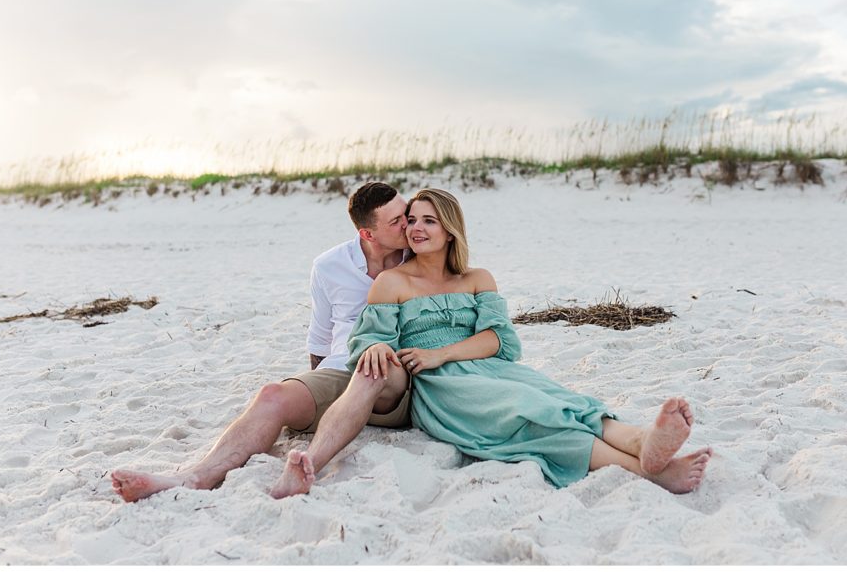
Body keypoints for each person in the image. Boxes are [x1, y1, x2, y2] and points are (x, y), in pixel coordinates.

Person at [270, 188, 712, 497]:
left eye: (429, 220)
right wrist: (397, 352)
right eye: (412, 220)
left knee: (561, 399)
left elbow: (501, 341)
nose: (416, 228)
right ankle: (649, 470)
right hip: (441, 386)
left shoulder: (478, 279)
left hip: (491, 368)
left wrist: (441, 350)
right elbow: (369, 342)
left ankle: (640, 439)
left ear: (450, 231)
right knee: (530, 416)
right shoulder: (390, 282)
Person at [110, 182, 413, 502]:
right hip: (340, 369)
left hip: (391, 380)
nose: (408, 223)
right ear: (368, 234)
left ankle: (308, 465)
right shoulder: (329, 266)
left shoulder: (423, 255)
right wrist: (308, 389)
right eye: (396, 221)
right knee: (272, 395)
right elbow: (320, 338)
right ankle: (191, 478)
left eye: (406, 213)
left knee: (371, 366)